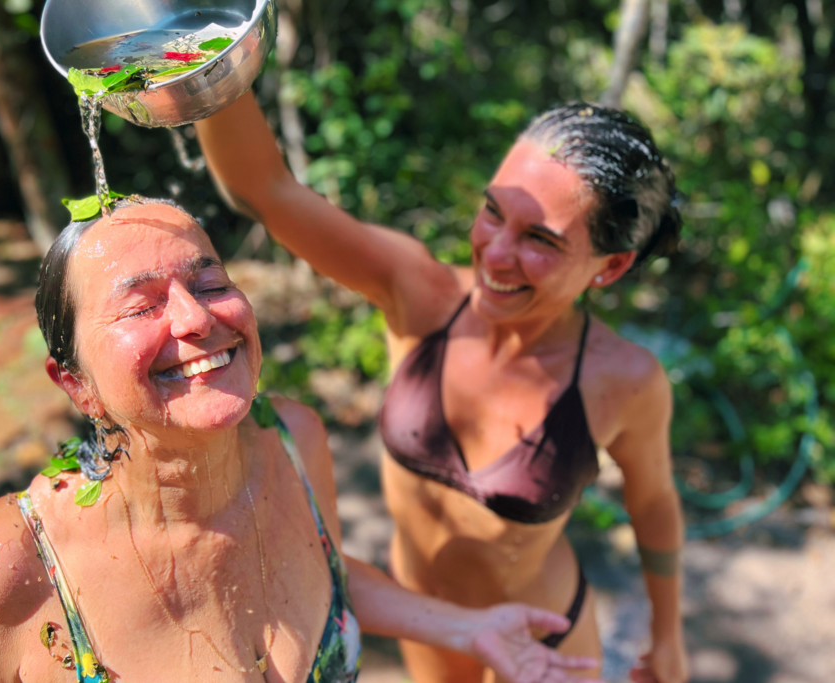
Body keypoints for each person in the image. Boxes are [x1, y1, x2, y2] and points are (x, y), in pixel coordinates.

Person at [0, 198, 605, 683]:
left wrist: (466, 627)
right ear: (76, 383)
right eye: (142, 306)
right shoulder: (8, 571)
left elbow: (327, 572)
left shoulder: (291, 439)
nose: (197, 317)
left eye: (211, 282)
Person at [194, 98, 689, 683]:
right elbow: (263, 188)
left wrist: (667, 635)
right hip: (426, 620)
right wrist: (203, 58)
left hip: (544, 641)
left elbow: (653, 503)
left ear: (610, 267)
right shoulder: (418, 293)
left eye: (541, 240)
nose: (495, 254)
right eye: (492, 211)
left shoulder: (625, 381)